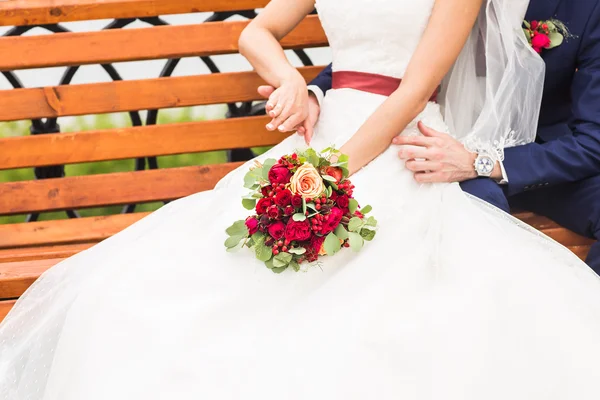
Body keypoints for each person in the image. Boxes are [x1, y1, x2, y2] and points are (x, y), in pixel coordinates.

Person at [2, 0, 600, 398]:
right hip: (329, 124)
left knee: (395, 281)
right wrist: (290, 79)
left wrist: (330, 172)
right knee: (162, 285)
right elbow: (256, 30)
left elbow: (416, 89)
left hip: (398, 138)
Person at [288, 0, 600, 274]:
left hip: (531, 157)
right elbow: (387, 42)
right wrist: (315, 92)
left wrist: (481, 163)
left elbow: (593, 140)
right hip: (427, 146)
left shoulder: (586, 7)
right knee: (466, 217)